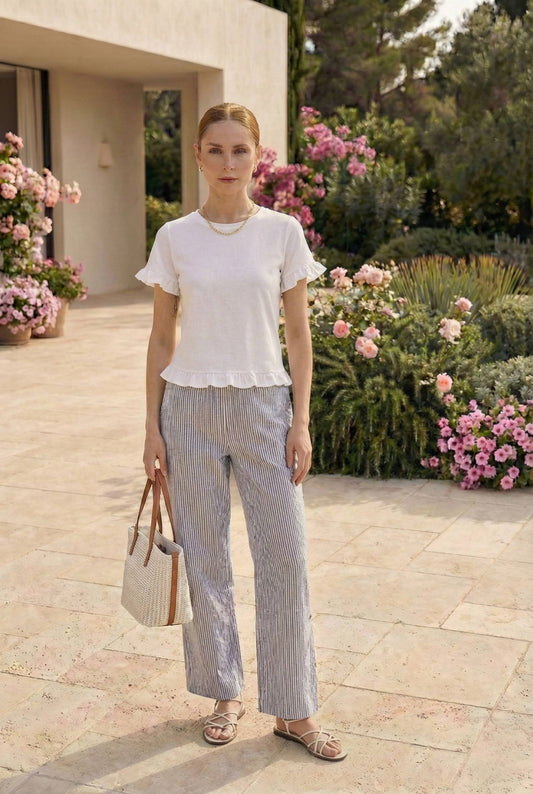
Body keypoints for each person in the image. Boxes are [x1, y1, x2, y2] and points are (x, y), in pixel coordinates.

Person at [136, 102, 346, 762]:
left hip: (263, 409)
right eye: (216, 150)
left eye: (239, 150)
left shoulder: (282, 234)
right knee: (205, 559)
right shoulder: (174, 238)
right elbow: (161, 336)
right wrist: (151, 426)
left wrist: (301, 421)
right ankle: (223, 692)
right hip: (189, 411)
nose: (228, 162)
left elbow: (300, 336)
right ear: (197, 156)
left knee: (284, 557)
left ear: (258, 158)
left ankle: (293, 708)